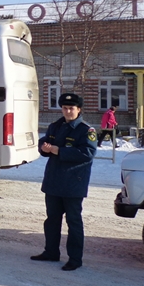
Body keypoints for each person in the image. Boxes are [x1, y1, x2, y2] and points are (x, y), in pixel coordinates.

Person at [32, 93, 97, 271]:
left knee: (73, 222)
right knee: (52, 219)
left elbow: (87, 153)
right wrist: (44, 148)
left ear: (79, 109)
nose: (68, 111)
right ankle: (51, 252)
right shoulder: (56, 126)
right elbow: (45, 142)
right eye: (65, 108)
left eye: (71, 108)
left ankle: (75, 259)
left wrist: (58, 150)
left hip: (73, 183)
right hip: (54, 181)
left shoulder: (86, 130)